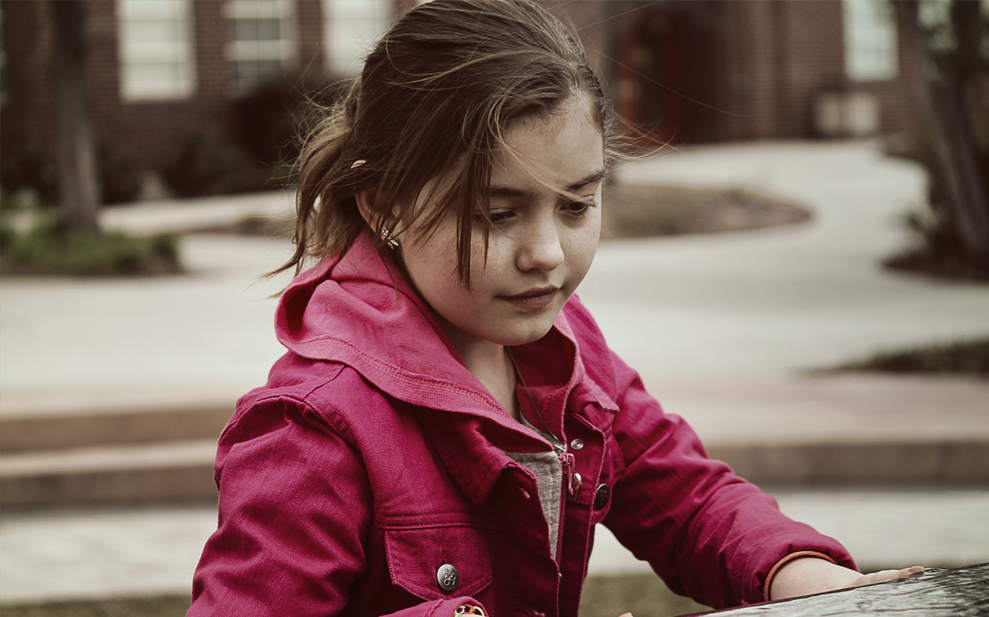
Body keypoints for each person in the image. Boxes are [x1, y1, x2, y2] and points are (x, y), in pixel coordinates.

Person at [187, 1, 923, 615]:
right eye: (498, 213)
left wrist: (803, 579)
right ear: (386, 204)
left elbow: (686, 495)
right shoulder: (311, 428)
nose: (546, 253)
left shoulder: (572, 353)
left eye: (576, 205)